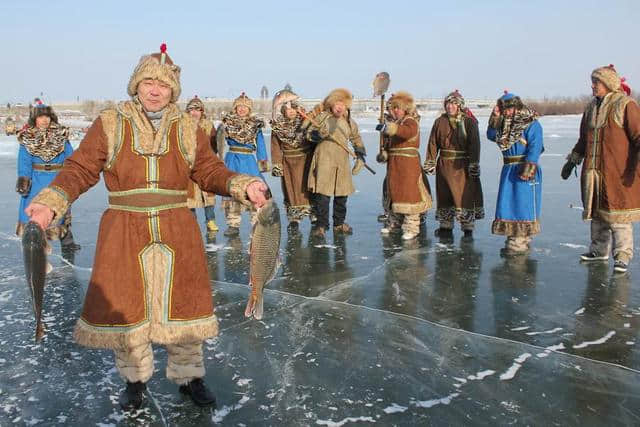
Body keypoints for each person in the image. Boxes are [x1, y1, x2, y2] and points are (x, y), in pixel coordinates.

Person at [25, 44, 268, 411]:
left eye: (163, 85)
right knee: (128, 307)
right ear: (136, 85)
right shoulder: (110, 122)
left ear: (173, 91)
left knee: (184, 306)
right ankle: (135, 382)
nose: (155, 90)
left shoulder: (188, 127)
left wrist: (243, 184)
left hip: (177, 226)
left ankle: (191, 377)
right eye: (148, 82)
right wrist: (49, 203)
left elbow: (209, 170)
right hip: (124, 228)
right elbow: (80, 169)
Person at [561, 65, 640, 274]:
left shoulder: (625, 105)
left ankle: (622, 255)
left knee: (618, 214)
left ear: (609, 83)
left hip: (618, 171)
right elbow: (583, 140)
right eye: (593, 81)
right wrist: (573, 161)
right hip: (594, 171)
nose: (593, 86)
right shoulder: (590, 108)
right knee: (598, 212)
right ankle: (598, 251)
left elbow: (638, 135)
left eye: (597, 82)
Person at [303, 88, 365, 238]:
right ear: (331, 104)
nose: (340, 107)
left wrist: (360, 156)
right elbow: (308, 135)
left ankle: (339, 223)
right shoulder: (322, 118)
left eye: (343, 104)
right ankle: (321, 225)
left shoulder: (349, 121)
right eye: (337, 103)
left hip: (342, 161)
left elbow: (356, 138)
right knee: (323, 195)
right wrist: (319, 134)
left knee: (342, 195)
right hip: (324, 159)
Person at [16, 103, 79, 250]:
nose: (44, 120)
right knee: (34, 211)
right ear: (34, 119)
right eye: (40, 117)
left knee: (60, 210)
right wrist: (24, 179)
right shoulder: (27, 138)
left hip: (57, 178)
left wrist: (71, 175)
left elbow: (70, 157)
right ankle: (34, 244)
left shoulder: (61, 135)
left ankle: (67, 241)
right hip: (36, 180)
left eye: (47, 116)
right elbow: (24, 161)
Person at [487, 91, 543, 254]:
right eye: (504, 110)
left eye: (509, 109)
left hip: (524, 168)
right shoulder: (504, 125)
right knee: (508, 205)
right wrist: (495, 117)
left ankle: (520, 241)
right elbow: (491, 135)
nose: (507, 112)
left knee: (522, 205)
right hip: (509, 169)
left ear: (517, 107)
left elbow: (536, 145)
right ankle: (514, 237)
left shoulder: (531, 123)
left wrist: (530, 165)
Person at [424, 90, 484, 238]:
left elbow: (475, 144)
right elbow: (433, 143)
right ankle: (446, 226)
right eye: (448, 104)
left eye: (453, 104)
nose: (450, 106)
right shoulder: (439, 122)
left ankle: (467, 226)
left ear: (459, 106)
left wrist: (474, 163)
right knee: (444, 195)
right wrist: (431, 161)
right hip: (444, 164)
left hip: (461, 166)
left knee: (463, 196)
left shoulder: (469, 122)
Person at [376, 91, 431, 240]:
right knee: (395, 192)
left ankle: (412, 227)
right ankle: (394, 222)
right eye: (392, 108)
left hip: (408, 163)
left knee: (409, 193)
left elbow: (406, 132)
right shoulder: (395, 122)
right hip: (394, 163)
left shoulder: (410, 121)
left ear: (405, 109)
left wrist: (390, 128)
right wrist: (384, 153)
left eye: (397, 108)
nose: (394, 111)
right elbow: (388, 143)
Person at [219, 92, 269, 236]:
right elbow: (219, 142)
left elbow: (260, 144)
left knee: (254, 190)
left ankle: (256, 222)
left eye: (245, 107)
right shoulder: (227, 124)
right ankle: (233, 224)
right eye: (239, 107)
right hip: (232, 159)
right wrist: (219, 158)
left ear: (249, 109)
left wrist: (262, 161)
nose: (242, 109)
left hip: (248, 161)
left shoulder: (255, 125)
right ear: (235, 108)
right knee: (233, 190)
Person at [270, 94, 313, 231]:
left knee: (309, 187)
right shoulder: (278, 127)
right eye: (288, 109)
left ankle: (313, 214)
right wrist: (277, 164)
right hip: (288, 161)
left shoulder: (306, 123)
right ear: (283, 110)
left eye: (294, 109)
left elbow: (314, 141)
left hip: (305, 159)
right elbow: (275, 146)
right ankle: (294, 218)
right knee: (291, 189)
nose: (291, 112)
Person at [185, 95, 219, 233]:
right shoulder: (183, 125)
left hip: (205, 164)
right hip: (188, 165)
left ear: (202, 112)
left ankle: (210, 220)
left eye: (197, 110)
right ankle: (192, 221)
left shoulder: (208, 125)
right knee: (190, 195)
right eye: (192, 110)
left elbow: (215, 143)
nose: (194, 113)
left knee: (208, 193)